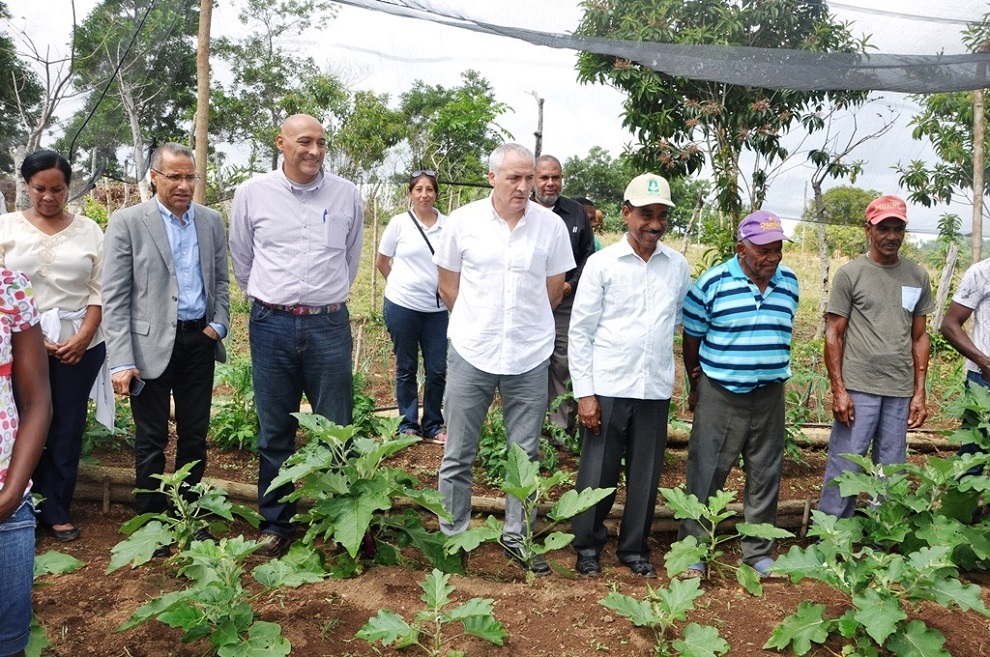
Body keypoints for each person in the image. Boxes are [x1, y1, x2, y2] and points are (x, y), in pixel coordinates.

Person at [434, 143, 574, 576]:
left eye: (529, 178)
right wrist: (481, 324)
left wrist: (521, 328)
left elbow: (555, 290)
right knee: (458, 451)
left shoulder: (550, 227)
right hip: (472, 351)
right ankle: (453, 537)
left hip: (529, 355)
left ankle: (519, 537)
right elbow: (447, 286)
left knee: (525, 455)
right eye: (514, 178)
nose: (524, 186)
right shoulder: (462, 223)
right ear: (492, 177)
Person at [229, 114, 364, 558]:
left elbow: (351, 258)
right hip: (272, 324)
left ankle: (342, 521)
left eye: (322, 143)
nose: (315, 151)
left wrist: (322, 297)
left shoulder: (346, 195)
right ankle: (276, 524)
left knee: (336, 427)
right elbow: (243, 258)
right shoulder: (252, 194)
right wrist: (275, 299)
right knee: (275, 429)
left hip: (328, 323)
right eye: (305, 142)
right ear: (281, 144)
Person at [102, 143, 230, 554]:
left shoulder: (210, 221)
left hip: (198, 341)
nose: (184, 185)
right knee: (151, 439)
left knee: (195, 435)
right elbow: (116, 297)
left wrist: (219, 324)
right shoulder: (127, 223)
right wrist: (121, 359)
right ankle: (152, 526)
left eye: (190, 176)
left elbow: (221, 281)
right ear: (153, 177)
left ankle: (188, 517)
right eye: (174, 176)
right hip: (147, 346)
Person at [569, 173, 690, 578]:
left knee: (645, 475)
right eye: (645, 214)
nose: (654, 224)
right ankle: (587, 546)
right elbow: (581, 331)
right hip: (607, 387)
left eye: (661, 216)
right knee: (597, 473)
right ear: (626, 213)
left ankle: (634, 548)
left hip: (653, 388)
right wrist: (585, 394)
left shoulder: (677, 266)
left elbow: (676, 322)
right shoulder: (602, 264)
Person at [677, 210, 800, 578]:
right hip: (722, 391)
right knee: (706, 471)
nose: (773, 257)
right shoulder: (711, 283)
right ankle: (692, 553)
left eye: (777, 249)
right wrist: (696, 385)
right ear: (740, 249)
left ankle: (758, 553)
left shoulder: (790, 282)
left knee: (765, 472)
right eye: (764, 250)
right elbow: (691, 339)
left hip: (770, 392)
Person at [0, 150, 109, 542]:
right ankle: (16, 501)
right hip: (17, 344)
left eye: (58, 189)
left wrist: (82, 337)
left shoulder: (90, 230)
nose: (49, 197)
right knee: (21, 421)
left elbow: (101, 290)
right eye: (40, 188)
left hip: (78, 342)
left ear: (69, 187)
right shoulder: (5, 228)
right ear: (26, 185)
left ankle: (55, 507)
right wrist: (34, 342)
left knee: (66, 425)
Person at [818, 195, 934, 519]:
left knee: (892, 467)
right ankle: (832, 535)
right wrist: (839, 390)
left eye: (898, 228)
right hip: (858, 387)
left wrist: (919, 393)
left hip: (899, 388)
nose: (892, 236)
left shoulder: (917, 275)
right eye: (884, 228)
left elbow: (920, 335)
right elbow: (833, 333)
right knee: (847, 461)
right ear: (869, 229)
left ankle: (883, 538)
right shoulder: (851, 274)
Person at [0, 270, 53, 657]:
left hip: (6, 509)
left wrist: (10, 495)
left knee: (9, 643)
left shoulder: (10, 287)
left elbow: (38, 402)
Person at [375, 170, 448, 444]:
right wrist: (399, 286)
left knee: (438, 368)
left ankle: (433, 424)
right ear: (410, 193)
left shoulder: (448, 226)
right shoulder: (399, 224)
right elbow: (382, 261)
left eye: (429, 189)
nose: (424, 195)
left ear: (436, 194)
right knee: (406, 366)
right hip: (402, 306)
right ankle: (408, 424)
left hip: (437, 310)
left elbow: (453, 265)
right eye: (418, 189)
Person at [531, 156, 595, 436]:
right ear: (533, 179)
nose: (550, 183)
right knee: (528, 360)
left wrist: (569, 285)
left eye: (555, 177)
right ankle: (528, 428)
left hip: (566, 301)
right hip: (527, 302)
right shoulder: (523, 209)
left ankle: (560, 431)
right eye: (544, 177)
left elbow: (587, 257)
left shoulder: (575, 212)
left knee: (562, 361)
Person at [941, 258, 990, 476]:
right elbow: (950, 325)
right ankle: (963, 507)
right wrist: (984, 362)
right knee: (974, 451)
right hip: (985, 380)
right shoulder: (981, 272)